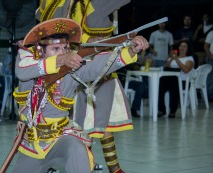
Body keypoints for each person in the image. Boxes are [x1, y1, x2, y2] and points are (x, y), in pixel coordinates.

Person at [11, 18, 148, 173]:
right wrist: (61, 59)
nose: (62, 52)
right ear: (40, 51)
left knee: (77, 149)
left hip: (61, 136)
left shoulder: (71, 67)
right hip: (32, 144)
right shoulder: (27, 59)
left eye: (64, 48)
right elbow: (22, 71)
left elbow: (96, 67)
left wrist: (129, 51)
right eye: (55, 49)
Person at [36, 1, 133, 173]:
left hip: (96, 66)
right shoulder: (55, 3)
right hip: (69, 67)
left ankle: (111, 167)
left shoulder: (88, 3)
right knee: (70, 121)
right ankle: (74, 162)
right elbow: (44, 21)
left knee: (101, 120)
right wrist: (88, 40)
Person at [158, 40, 195, 118]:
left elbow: (186, 70)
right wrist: (172, 58)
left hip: (183, 81)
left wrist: (177, 59)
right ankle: (161, 109)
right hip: (169, 79)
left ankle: (172, 110)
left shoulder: (189, 59)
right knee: (160, 83)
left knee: (174, 84)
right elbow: (165, 68)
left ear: (188, 49)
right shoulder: (173, 57)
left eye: (184, 46)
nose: (182, 48)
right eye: (181, 46)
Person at [204, 29, 213, 100]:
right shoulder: (211, 33)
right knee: (210, 77)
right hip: (211, 58)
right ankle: (208, 95)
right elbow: (206, 45)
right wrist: (210, 55)